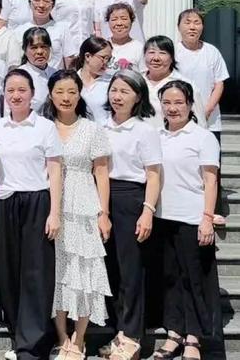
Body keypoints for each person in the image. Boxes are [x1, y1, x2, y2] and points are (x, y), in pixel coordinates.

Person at [0, 68, 63, 360]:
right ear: (4, 95)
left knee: (35, 272)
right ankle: (16, 331)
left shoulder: (44, 127)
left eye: (22, 90)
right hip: (3, 203)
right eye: (11, 90)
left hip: (37, 202)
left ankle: (31, 345)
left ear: (33, 94)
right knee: (7, 271)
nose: (16, 95)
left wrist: (55, 212)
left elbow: (56, 170)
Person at [42, 71, 112, 360]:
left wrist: (103, 213)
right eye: (60, 91)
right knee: (58, 272)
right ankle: (61, 337)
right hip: (50, 206)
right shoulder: (43, 127)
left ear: (79, 94)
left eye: (72, 91)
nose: (66, 97)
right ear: (50, 94)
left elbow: (102, 172)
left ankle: (79, 339)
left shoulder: (92, 129)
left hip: (83, 202)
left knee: (84, 272)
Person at [152, 80, 222, 360]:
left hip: (192, 218)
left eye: (178, 102)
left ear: (190, 105)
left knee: (194, 279)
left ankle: (194, 338)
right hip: (162, 217)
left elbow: (210, 180)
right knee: (170, 279)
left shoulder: (202, 137)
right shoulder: (156, 135)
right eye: (167, 102)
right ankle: (174, 333)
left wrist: (207, 218)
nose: (172, 108)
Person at [100, 69, 161, 360]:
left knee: (131, 270)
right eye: (114, 90)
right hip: (103, 197)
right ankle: (118, 332)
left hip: (131, 199)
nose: (117, 96)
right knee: (110, 269)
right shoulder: (101, 126)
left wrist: (147, 211)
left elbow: (153, 174)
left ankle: (133, 336)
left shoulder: (145, 129)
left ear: (138, 96)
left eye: (125, 91)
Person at [175, 8, 229, 138]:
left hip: (210, 121)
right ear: (179, 27)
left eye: (197, 23)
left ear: (202, 27)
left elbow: (219, 83)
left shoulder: (212, 51)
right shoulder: (173, 52)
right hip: (178, 121)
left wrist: (206, 111)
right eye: (187, 23)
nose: (192, 27)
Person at [142, 35, 207, 130]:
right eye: (151, 52)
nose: (156, 58)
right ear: (144, 55)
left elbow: (200, 123)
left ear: (172, 58)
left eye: (162, 53)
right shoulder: (135, 82)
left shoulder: (186, 84)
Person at [13, 0, 76, 69]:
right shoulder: (19, 31)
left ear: (52, 5)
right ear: (30, 3)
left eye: (46, 1)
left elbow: (70, 62)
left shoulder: (62, 29)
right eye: (37, 0)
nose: (41, 5)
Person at [19, 27, 58, 111]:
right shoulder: (19, 76)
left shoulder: (56, 74)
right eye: (34, 48)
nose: (40, 52)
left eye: (44, 46)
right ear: (25, 50)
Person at [77, 36, 113, 125]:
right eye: (103, 57)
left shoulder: (112, 82)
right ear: (88, 56)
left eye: (109, 59)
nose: (106, 62)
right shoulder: (71, 80)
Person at [105, 4, 143, 71]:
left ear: (131, 22)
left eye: (124, 19)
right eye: (114, 19)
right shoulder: (102, 46)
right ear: (108, 22)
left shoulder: (140, 48)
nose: (119, 23)